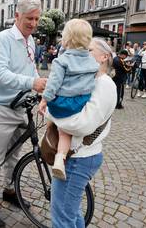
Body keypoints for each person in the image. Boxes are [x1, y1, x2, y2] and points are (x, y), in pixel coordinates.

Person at [0, 0, 47, 227]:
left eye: (37, 19)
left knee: (15, 154)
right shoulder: (3, 39)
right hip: (0, 107)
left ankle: (9, 189)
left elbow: (30, 67)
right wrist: (31, 83)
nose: (34, 23)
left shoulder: (30, 41)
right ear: (17, 16)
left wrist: (40, 83)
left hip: (20, 106)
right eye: (29, 18)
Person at [47, 37, 116, 228]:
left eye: (88, 50)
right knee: (72, 212)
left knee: (62, 216)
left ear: (104, 57)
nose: (82, 54)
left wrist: (52, 114)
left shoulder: (104, 84)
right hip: (77, 155)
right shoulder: (89, 79)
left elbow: (82, 125)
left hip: (79, 157)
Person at [38, 19, 99, 181]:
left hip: (62, 102)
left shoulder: (61, 61)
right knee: (65, 131)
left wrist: (44, 100)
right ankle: (61, 157)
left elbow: (53, 84)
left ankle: (51, 145)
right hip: (80, 101)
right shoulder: (92, 61)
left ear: (66, 39)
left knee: (55, 118)